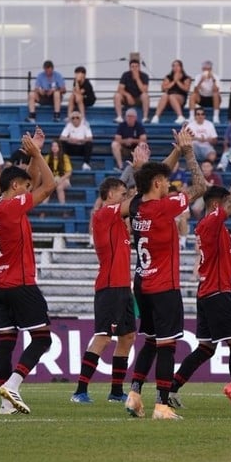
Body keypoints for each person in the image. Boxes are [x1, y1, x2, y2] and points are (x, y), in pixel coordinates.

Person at [125, 127, 206, 420]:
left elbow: (145, 182)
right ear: (158, 183)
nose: (169, 186)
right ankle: (161, 404)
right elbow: (201, 186)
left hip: (142, 283)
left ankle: (134, 394)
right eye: (166, 182)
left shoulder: (135, 206)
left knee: (149, 340)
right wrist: (186, 151)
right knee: (167, 345)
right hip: (163, 285)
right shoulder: (163, 207)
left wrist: (139, 168)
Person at [0, 129, 57, 415]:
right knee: (43, 338)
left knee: (6, 342)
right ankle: (14, 385)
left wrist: (31, 155)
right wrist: (40, 155)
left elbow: (29, 184)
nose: (27, 190)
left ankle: (6, 403)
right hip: (20, 282)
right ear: (15, 186)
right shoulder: (12, 208)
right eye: (23, 186)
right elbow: (49, 185)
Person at [168, 178, 231, 409]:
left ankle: (172, 388)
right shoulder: (211, 222)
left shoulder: (216, 228)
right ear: (215, 206)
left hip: (208, 291)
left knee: (206, 348)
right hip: (217, 292)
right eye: (224, 206)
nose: (229, 210)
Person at [70, 173, 142, 405]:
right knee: (103, 336)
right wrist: (140, 172)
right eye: (122, 194)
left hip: (123, 288)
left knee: (128, 337)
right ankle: (80, 391)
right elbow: (134, 203)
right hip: (109, 287)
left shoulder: (118, 223)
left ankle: (116, 391)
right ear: (110, 195)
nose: (125, 198)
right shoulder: (103, 214)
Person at [151, 59, 191, 124]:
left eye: (177, 66)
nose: (175, 67)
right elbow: (163, 88)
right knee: (165, 95)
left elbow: (186, 89)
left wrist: (178, 81)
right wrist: (174, 81)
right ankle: (156, 116)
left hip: (180, 98)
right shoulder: (168, 77)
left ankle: (180, 116)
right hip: (168, 98)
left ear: (181, 67)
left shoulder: (186, 78)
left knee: (172, 96)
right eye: (174, 66)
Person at [113, 58, 150, 124]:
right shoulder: (125, 75)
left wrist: (137, 79)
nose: (134, 68)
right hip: (127, 99)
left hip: (139, 99)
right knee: (117, 95)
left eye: (136, 66)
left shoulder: (144, 76)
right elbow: (120, 89)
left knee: (145, 95)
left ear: (139, 67)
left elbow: (144, 90)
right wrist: (127, 95)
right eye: (132, 67)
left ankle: (145, 118)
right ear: (130, 68)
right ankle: (119, 117)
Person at [189, 60, 222, 124]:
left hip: (213, 99)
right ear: (202, 69)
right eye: (205, 69)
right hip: (201, 98)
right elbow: (195, 90)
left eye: (208, 69)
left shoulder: (216, 77)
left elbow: (216, 90)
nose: (206, 70)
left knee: (216, 94)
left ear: (211, 69)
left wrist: (213, 80)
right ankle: (192, 117)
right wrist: (201, 81)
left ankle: (216, 117)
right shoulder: (198, 76)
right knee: (193, 95)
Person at [43, 140, 72, 207]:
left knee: (59, 187)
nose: (54, 147)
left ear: (59, 147)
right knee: (48, 188)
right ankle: (43, 211)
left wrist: (60, 180)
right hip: (51, 179)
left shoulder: (64, 157)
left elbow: (69, 173)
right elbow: (44, 171)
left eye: (56, 146)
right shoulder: (47, 158)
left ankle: (64, 210)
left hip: (63, 179)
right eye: (53, 146)